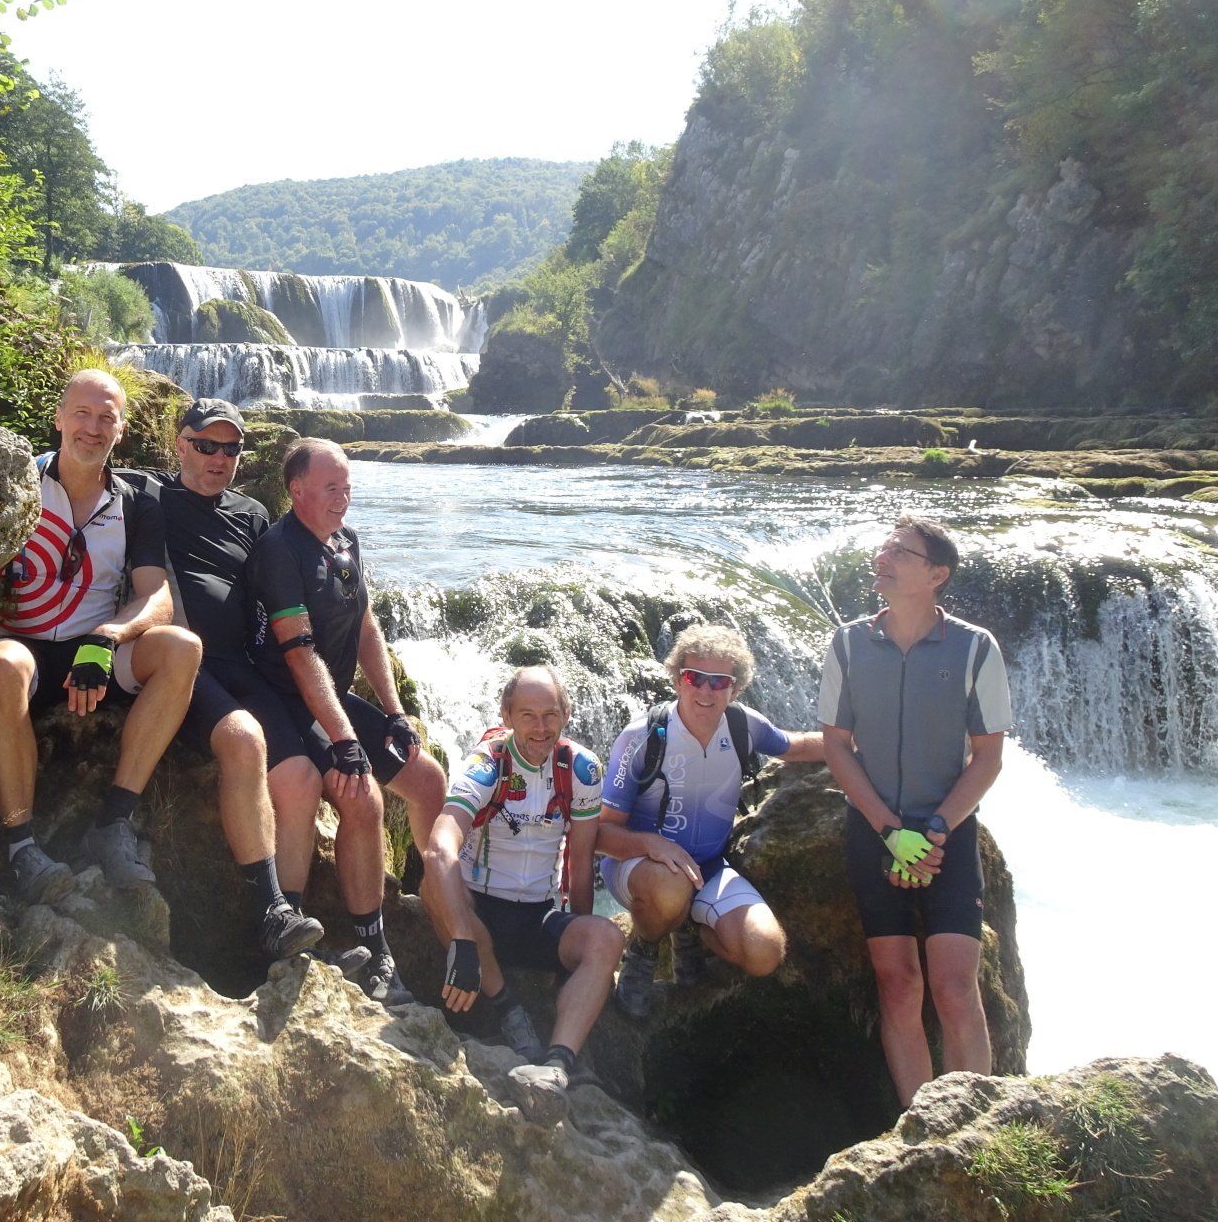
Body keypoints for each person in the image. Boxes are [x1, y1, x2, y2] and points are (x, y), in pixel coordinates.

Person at [0, 369, 202, 901]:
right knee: (2, 665)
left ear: (120, 430)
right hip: (25, 643)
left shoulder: (136, 502)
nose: (93, 427)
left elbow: (157, 595)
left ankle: (113, 822)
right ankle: (22, 849)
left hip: (95, 649)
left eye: (107, 417)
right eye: (82, 413)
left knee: (183, 647)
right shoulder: (17, 477)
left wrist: (109, 637)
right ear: (58, 418)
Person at [115, 398, 324, 961]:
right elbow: (68, 464)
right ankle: (269, 909)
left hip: (243, 665)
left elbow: (287, 581)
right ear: (180, 444)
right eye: (206, 445)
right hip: (183, 664)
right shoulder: (146, 492)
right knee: (243, 740)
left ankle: (289, 926)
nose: (219, 458)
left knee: (302, 778)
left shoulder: (253, 514)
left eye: (231, 448)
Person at [817, 514, 1013, 1106]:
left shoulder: (977, 647)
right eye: (884, 547)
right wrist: (888, 829)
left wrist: (931, 832)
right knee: (898, 985)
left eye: (900, 552)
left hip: (945, 835)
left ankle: (979, 1129)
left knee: (955, 989)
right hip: (874, 832)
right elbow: (834, 745)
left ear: (936, 575)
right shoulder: (847, 644)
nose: (883, 558)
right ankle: (921, 1128)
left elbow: (989, 757)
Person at [245, 437, 449, 1005]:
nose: (343, 498)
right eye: (331, 487)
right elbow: (299, 655)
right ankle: (369, 948)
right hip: (287, 698)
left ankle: (436, 897)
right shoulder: (278, 551)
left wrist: (394, 711)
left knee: (427, 778)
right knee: (363, 797)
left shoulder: (345, 541)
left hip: (331, 696)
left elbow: (365, 627)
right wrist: (344, 741)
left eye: (348, 487)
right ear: (297, 489)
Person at [420, 666, 622, 1126]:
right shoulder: (487, 764)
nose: (540, 728)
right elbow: (440, 847)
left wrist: (571, 963)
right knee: (430, 884)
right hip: (480, 910)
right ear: (507, 715)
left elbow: (581, 860)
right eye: (527, 715)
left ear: (566, 715)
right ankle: (509, 1009)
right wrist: (462, 941)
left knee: (606, 939)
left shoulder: (583, 768)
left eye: (550, 715)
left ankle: (557, 1063)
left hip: (538, 915)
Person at [597, 624, 825, 1019]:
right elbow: (601, 833)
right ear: (676, 679)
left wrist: (860, 746)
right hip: (639, 868)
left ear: (735, 688)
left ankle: (690, 930)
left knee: (764, 952)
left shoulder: (744, 726)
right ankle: (645, 949)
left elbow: (798, 745)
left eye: (719, 682)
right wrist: (652, 845)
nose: (705, 691)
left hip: (709, 868)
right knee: (671, 884)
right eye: (694, 677)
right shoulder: (642, 737)